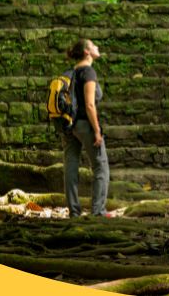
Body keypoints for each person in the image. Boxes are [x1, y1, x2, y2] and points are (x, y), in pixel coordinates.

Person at [60, 38, 110, 217]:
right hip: (83, 124)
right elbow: (89, 105)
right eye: (94, 45)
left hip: (68, 125)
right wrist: (97, 131)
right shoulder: (88, 72)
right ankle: (98, 211)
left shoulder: (70, 72)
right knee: (100, 166)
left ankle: (74, 211)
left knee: (71, 167)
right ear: (87, 52)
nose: (98, 47)